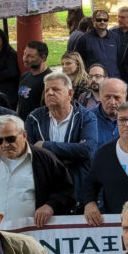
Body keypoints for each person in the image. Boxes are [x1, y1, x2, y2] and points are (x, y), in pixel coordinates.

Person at [23, 72, 100, 207]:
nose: (50, 93)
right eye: (47, 90)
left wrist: (45, 146)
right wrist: (70, 153)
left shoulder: (86, 117)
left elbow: (87, 150)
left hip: (76, 190)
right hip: (44, 191)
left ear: (70, 94)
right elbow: (28, 152)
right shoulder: (34, 118)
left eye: (56, 89)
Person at [0, 114, 76, 228]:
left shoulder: (44, 159)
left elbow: (67, 191)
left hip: (33, 235)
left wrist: (50, 206)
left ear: (24, 135)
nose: (5, 144)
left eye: (11, 139)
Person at [73, 8, 121, 78]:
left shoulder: (115, 37)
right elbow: (77, 60)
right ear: (93, 21)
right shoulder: (84, 39)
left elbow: (120, 59)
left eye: (105, 20)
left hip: (113, 78)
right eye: (99, 20)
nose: (102, 22)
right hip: (94, 81)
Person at [15, 41, 52, 120]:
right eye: (24, 54)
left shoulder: (50, 80)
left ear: (43, 58)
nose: (25, 59)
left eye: (30, 56)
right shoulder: (24, 76)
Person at [91, 77, 128, 144]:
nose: (112, 102)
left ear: (125, 97)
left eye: (117, 97)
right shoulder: (87, 119)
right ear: (100, 96)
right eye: (107, 97)